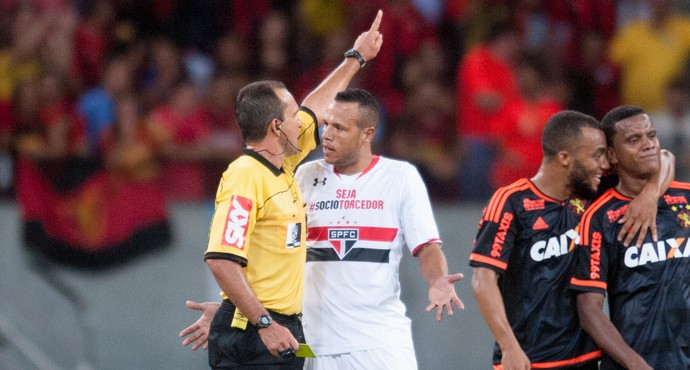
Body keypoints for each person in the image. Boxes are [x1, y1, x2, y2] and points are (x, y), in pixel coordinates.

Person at [181, 86, 464, 369]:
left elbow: (427, 246)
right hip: (308, 346)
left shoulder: (400, 177)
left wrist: (438, 280)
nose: (326, 134)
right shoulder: (303, 176)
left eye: (339, 128)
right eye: (326, 124)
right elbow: (270, 251)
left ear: (368, 133)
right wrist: (237, 314)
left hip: (380, 343)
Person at [197, 11, 383, 369]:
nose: (307, 119)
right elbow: (221, 259)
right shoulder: (246, 176)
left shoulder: (283, 167)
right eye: (293, 114)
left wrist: (356, 57)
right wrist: (257, 321)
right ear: (277, 127)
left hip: (279, 331)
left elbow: (317, 102)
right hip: (259, 334)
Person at [469, 110, 673, 370]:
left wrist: (649, 195)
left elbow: (665, 158)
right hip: (527, 360)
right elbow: (483, 278)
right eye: (597, 154)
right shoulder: (512, 201)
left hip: (586, 359)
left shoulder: (593, 192)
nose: (604, 165)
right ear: (565, 157)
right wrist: (509, 346)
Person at [570, 105, 690, 370]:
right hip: (637, 360)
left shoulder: (686, 197)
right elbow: (589, 311)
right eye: (634, 140)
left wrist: (650, 194)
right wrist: (635, 365)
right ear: (612, 155)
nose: (647, 145)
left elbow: (666, 156)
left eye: (651, 136)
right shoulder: (599, 217)